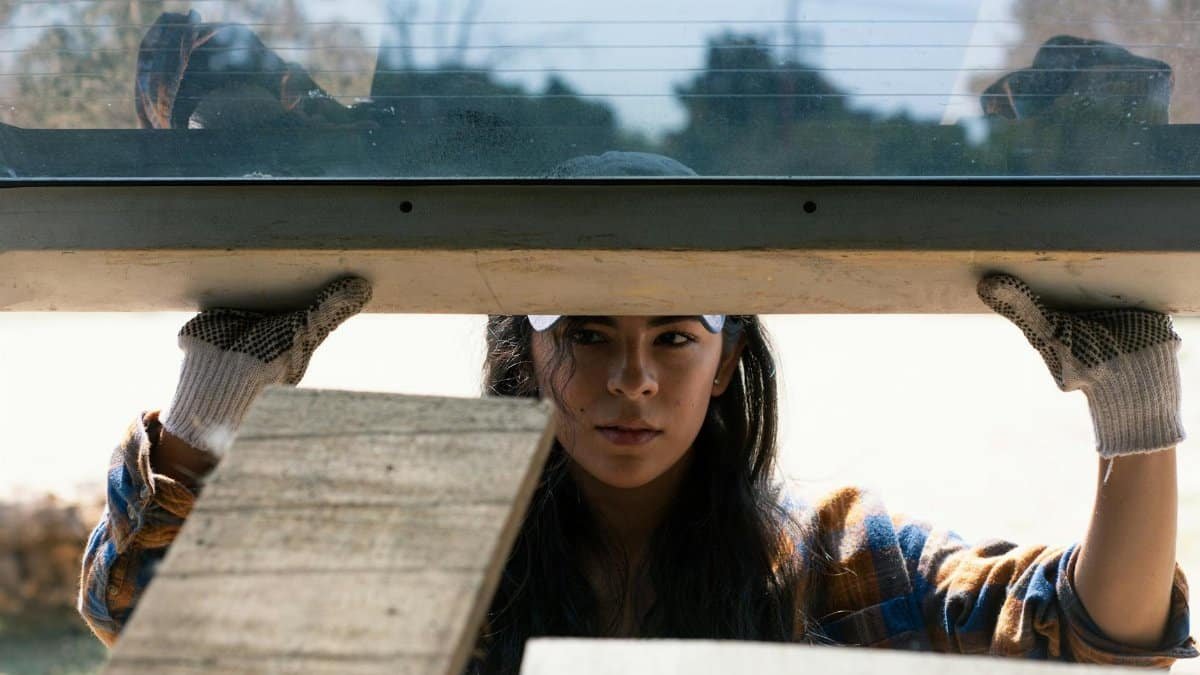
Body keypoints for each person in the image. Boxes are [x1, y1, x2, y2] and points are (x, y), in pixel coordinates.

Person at [78, 154, 1196, 673]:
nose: (632, 381)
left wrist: (1136, 411)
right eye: (588, 336)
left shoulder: (828, 555)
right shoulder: (429, 534)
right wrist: (218, 399)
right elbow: (139, 610)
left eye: (673, 338)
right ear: (525, 347)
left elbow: (1094, 632)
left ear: (727, 361)